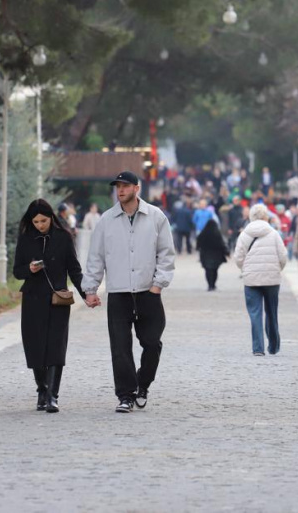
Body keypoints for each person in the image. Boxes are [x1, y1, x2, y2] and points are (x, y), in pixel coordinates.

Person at [83, 171, 176, 413]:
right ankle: (125, 395)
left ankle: (142, 384)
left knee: (152, 343)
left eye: (125, 186)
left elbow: (166, 253)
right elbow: (96, 257)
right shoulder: (106, 220)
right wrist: (90, 289)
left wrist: (158, 284)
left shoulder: (156, 217)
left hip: (148, 292)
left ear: (137, 188)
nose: (120, 190)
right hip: (119, 293)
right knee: (120, 347)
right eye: (118, 186)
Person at [12, 199, 85, 413]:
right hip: (33, 298)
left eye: (43, 221)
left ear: (51, 217)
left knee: (56, 346)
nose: (39, 225)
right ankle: (42, 390)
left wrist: (86, 294)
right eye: (35, 221)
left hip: (57, 299)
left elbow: (74, 269)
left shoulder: (63, 238)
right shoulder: (25, 239)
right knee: (34, 346)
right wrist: (29, 268)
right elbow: (17, 271)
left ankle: (53, 395)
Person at [234, 203, 287, 356]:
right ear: (265, 217)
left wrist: (245, 269)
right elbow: (283, 257)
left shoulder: (244, 234)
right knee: (272, 312)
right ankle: (274, 345)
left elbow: (238, 258)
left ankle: (258, 348)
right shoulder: (274, 233)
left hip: (251, 280)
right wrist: (277, 269)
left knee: (255, 313)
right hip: (272, 279)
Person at [197, 218, 229, 291]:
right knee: (214, 271)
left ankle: (210, 285)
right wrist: (226, 252)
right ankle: (213, 284)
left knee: (208, 271)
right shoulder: (217, 234)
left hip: (205, 256)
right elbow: (222, 245)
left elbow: (198, 244)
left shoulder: (203, 234)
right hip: (216, 257)